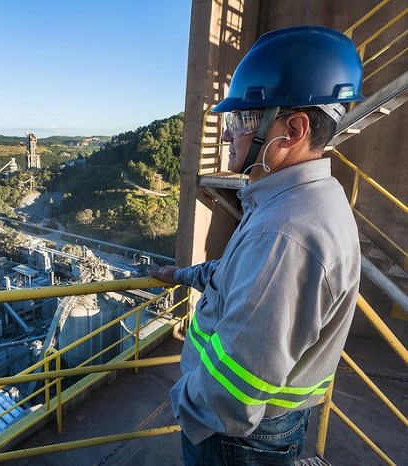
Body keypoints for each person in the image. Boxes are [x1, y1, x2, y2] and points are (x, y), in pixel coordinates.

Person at [150, 25, 364, 465]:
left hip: (236, 440)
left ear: (293, 129)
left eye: (241, 119)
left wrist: (184, 403)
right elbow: (236, 276)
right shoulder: (300, 201)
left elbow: (236, 388)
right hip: (265, 427)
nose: (227, 134)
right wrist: (183, 275)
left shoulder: (287, 233)